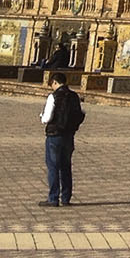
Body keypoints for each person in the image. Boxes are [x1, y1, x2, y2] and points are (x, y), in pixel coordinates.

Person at [40, 71, 85, 207]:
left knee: (53, 167)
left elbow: (47, 118)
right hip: (69, 135)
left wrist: (42, 117)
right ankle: (66, 197)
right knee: (66, 166)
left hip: (55, 135)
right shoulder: (74, 96)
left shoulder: (54, 96)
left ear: (54, 82)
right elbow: (79, 114)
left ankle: (53, 198)